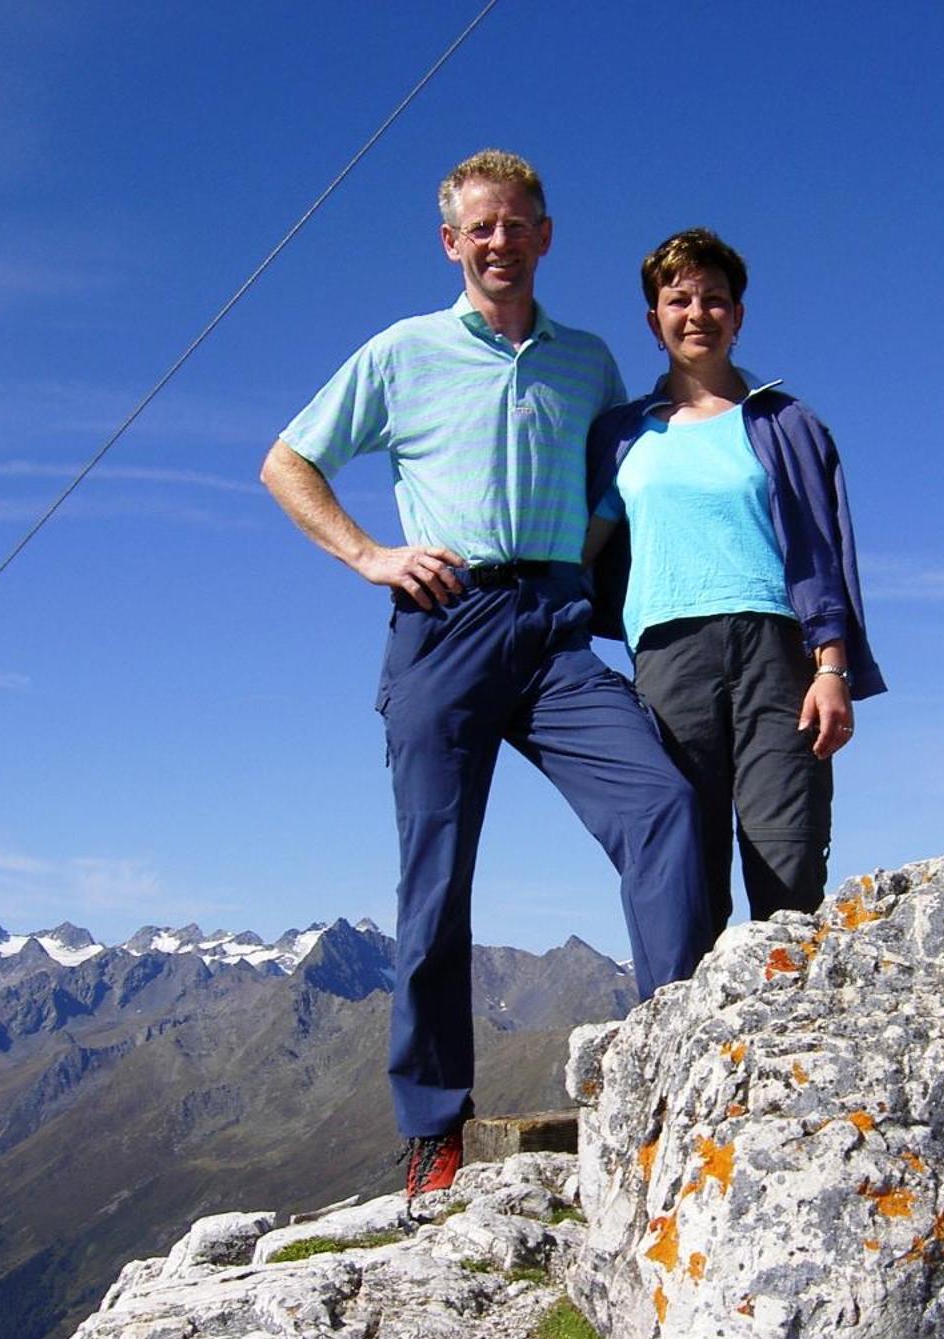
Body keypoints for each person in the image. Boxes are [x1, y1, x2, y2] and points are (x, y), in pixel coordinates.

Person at [260, 151, 711, 1199]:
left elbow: (619, 479)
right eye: (480, 228)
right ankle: (432, 1129)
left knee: (664, 809)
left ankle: (677, 1065)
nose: (498, 241)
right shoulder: (401, 353)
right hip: (442, 621)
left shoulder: (588, 363)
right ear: (451, 243)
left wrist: (589, 567)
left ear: (544, 237)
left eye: (516, 224)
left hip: (554, 629)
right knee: (436, 886)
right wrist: (371, 554)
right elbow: (287, 460)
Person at [585, 228, 884, 937]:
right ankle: (689, 1029)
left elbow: (823, 551)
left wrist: (831, 667)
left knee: (788, 852)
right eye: (678, 299)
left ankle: (791, 1030)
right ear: (653, 321)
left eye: (715, 299)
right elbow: (583, 549)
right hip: (667, 656)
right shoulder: (622, 435)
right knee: (683, 855)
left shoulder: (787, 423)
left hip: (778, 656)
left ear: (739, 316)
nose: (698, 313)